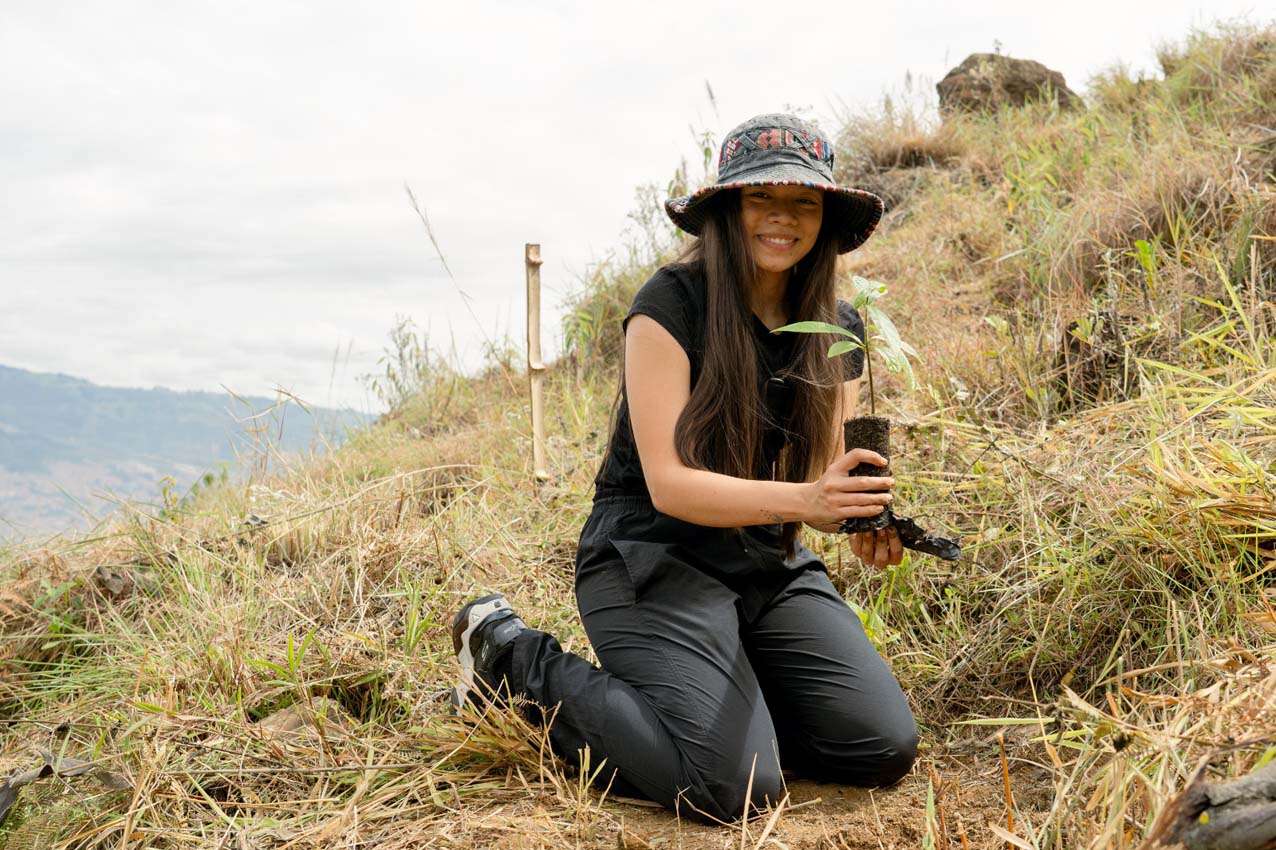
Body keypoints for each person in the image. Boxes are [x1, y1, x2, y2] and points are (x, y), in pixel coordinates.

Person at [449, 113, 917, 824]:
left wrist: (863, 515)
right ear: (728, 210)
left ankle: (727, 706)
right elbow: (669, 482)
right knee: (735, 788)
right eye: (763, 199)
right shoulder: (669, 305)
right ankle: (508, 662)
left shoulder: (837, 328)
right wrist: (805, 497)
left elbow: (826, 472)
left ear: (826, 219)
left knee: (880, 746)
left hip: (764, 563)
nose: (783, 219)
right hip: (650, 557)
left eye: (804, 203)